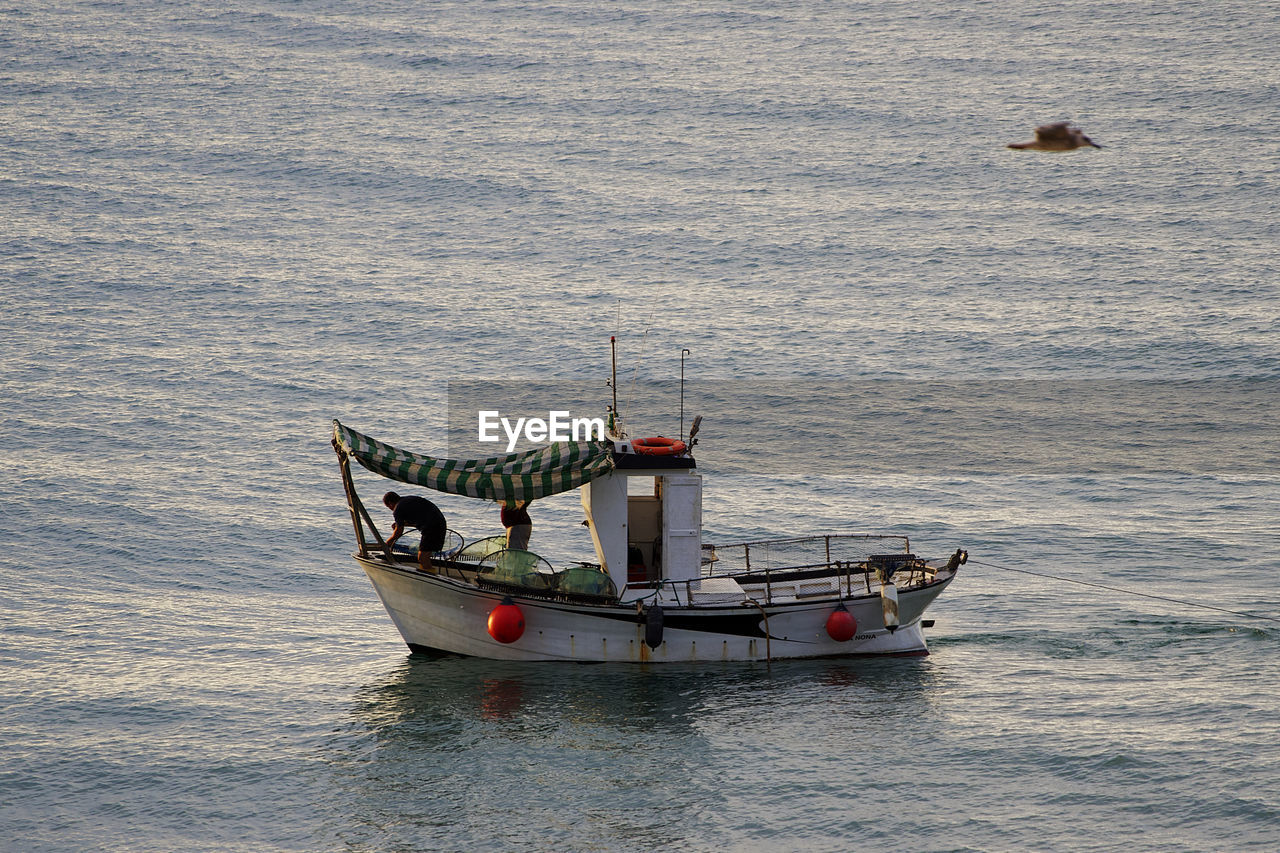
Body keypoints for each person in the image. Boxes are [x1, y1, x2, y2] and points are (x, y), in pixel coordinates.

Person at [383, 491, 446, 572]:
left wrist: (387, 544)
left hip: (431, 528)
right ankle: (429, 574)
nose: (391, 510)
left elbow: (398, 532)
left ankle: (431, 578)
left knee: (422, 558)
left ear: (390, 503)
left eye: (389, 507)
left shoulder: (397, 509)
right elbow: (419, 520)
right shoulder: (407, 500)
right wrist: (403, 524)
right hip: (440, 524)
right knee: (425, 556)